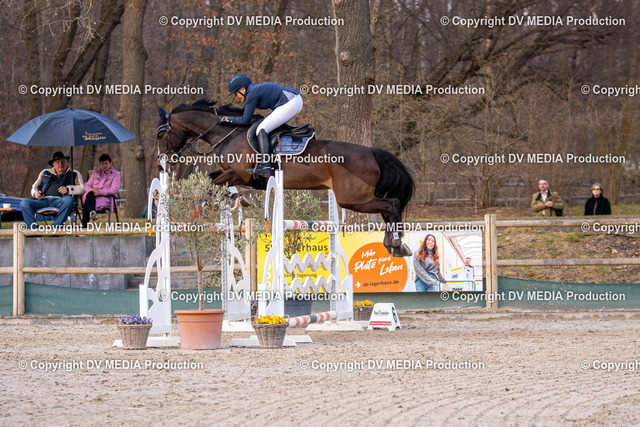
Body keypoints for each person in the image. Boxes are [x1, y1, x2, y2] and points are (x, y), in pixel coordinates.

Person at [218, 74, 303, 178]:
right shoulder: (253, 91)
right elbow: (245, 112)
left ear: (243, 89)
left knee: (261, 129)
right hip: (294, 100)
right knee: (266, 126)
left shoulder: (251, 93)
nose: (236, 97)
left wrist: (227, 119)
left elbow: (245, 120)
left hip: (290, 103)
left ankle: (266, 166)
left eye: (236, 93)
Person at [20, 151, 84, 228]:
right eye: (58, 162)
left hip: (61, 201)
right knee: (24, 203)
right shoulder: (45, 172)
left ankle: (55, 228)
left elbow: (82, 188)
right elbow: (34, 187)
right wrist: (35, 193)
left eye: (63, 162)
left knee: (69, 200)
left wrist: (68, 190)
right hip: (43, 200)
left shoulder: (74, 173)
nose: (60, 164)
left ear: (66, 162)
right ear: (53, 164)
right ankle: (33, 230)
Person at [82, 153, 121, 228]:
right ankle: (92, 212)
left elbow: (114, 189)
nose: (104, 166)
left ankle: (84, 225)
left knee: (88, 201)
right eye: (102, 164)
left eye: (106, 163)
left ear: (110, 163)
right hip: (91, 195)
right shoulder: (95, 173)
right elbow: (87, 185)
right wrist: (92, 190)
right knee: (89, 195)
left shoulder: (115, 174)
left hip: (105, 197)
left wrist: (100, 192)